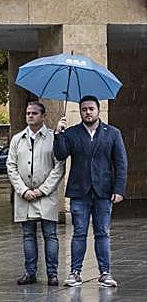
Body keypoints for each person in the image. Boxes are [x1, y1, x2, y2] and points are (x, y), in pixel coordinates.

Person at [53, 95, 128, 288]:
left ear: (98, 110)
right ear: (80, 111)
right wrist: (58, 133)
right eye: (84, 109)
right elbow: (60, 155)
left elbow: (121, 163)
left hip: (104, 191)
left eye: (91, 109)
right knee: (79, 232)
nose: (88, 112)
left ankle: (105, 273)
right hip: (79, 192)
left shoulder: (113, 133)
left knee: (103, 232)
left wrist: (119, 189)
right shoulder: (71, 132)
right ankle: (75, 273)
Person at [8, 102, 65, 286]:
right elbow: (11, 166)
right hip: (24, 195)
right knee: (28, 235)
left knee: (50, 234)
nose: (30, 116)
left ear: (43, 116)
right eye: (28, 113)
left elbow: (59, 166)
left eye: (34, 113)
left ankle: (52, 273)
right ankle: (30, 272)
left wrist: (43, 190)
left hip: (46, 195)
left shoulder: (53, 138)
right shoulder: (17, 139)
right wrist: (23, 190)